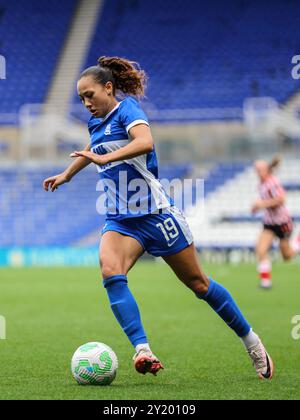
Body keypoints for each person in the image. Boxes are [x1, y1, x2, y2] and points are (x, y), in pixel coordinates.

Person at [44, 56, 274, 379]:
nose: (85, 103)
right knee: (111, 271)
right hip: (121, 221)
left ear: (108, 88)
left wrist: (104, 157)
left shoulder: (129, 111)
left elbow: (144, 142)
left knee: (200, 284)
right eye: (81, 98)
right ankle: (142, 349)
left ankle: (252, 341)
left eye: (90, 95)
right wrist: (67, 174)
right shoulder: (95, 123)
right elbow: (93, 147)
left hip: (157, 215)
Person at [252, 157, 300, 289]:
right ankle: (265, 283)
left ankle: (298, 242)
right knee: (260, 249)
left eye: (260, 170)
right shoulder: (260, 184)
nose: (258, 172)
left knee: (287, 256)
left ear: (267, 170)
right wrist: (256, 207)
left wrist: (261, 204)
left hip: (282, 222)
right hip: (269, 223)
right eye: (256, 170)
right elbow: (265, 203)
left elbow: (281, 199)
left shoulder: (273, 182)